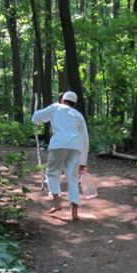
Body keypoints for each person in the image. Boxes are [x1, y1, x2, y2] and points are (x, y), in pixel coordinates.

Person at [32, 91, 89, 220]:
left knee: (52, 173)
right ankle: (74, 209)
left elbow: (38, 117)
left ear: (63, 100)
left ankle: (57, 201)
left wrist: (34, 118)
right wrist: (83, 162)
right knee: (72, 177)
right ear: (74, 103)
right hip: (75, 147)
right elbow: (85, 139)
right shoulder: (78, 115)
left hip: (58, 144)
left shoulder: (55, 107)